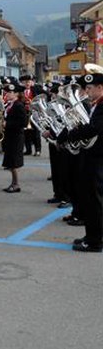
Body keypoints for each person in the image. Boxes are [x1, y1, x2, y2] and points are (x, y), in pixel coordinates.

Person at [57, 72, 103, 252]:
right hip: (91, 156)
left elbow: (94, 128)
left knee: (94, 201)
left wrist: (71, 134)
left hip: (97, 157)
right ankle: (92, 235)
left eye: (90, 88)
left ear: (100, 87)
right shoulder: (95, 105)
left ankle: (94, 242)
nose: (87, 92)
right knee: (90, 199)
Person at [1, 82, 27, 193]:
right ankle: (13, 183)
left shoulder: (18, 105)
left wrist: (8, 124)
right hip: (10, 135)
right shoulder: (10, 104)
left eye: (11, 92)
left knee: (14, 162)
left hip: (16, 136)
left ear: (16, 94)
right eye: (8, 92)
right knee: (10, 162)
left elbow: (23, 122)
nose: (8, 94)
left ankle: (16, 184)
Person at [20, 74, 42, 156]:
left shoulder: (36, 89)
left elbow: (43, 97)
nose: (27, 83)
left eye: (29, 81)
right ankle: (28, 150)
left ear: (31, 82)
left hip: (34, 113)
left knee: (36, 133)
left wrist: (33, 103)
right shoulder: (21, 91)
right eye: (25, 82)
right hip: (24, 113)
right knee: (26, 133)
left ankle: (38, 150)